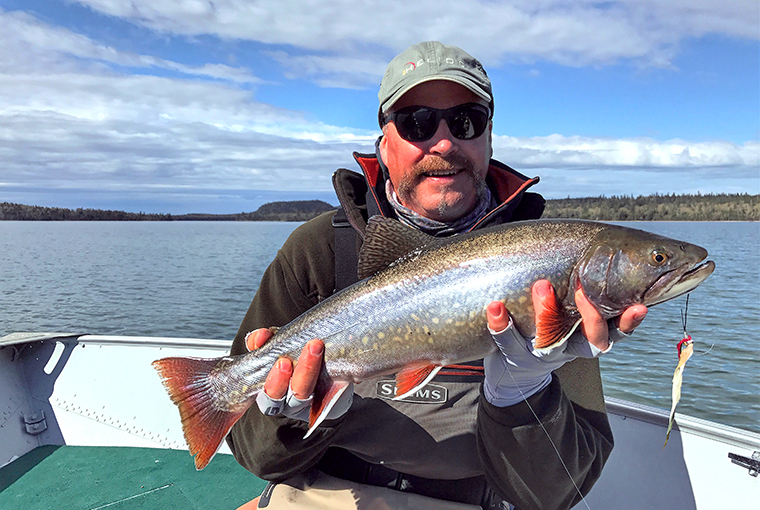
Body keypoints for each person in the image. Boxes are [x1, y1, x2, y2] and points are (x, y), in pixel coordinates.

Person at [227, 41, 648, 510]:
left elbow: (556, 494)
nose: (444, 142)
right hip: (326, 492)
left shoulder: (547, 266)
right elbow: (255, 454)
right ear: (383, 145)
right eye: (416, 123)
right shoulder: (319, 249)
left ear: (489, 136)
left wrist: (524, 393)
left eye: (466, 120)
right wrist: (300, 417)